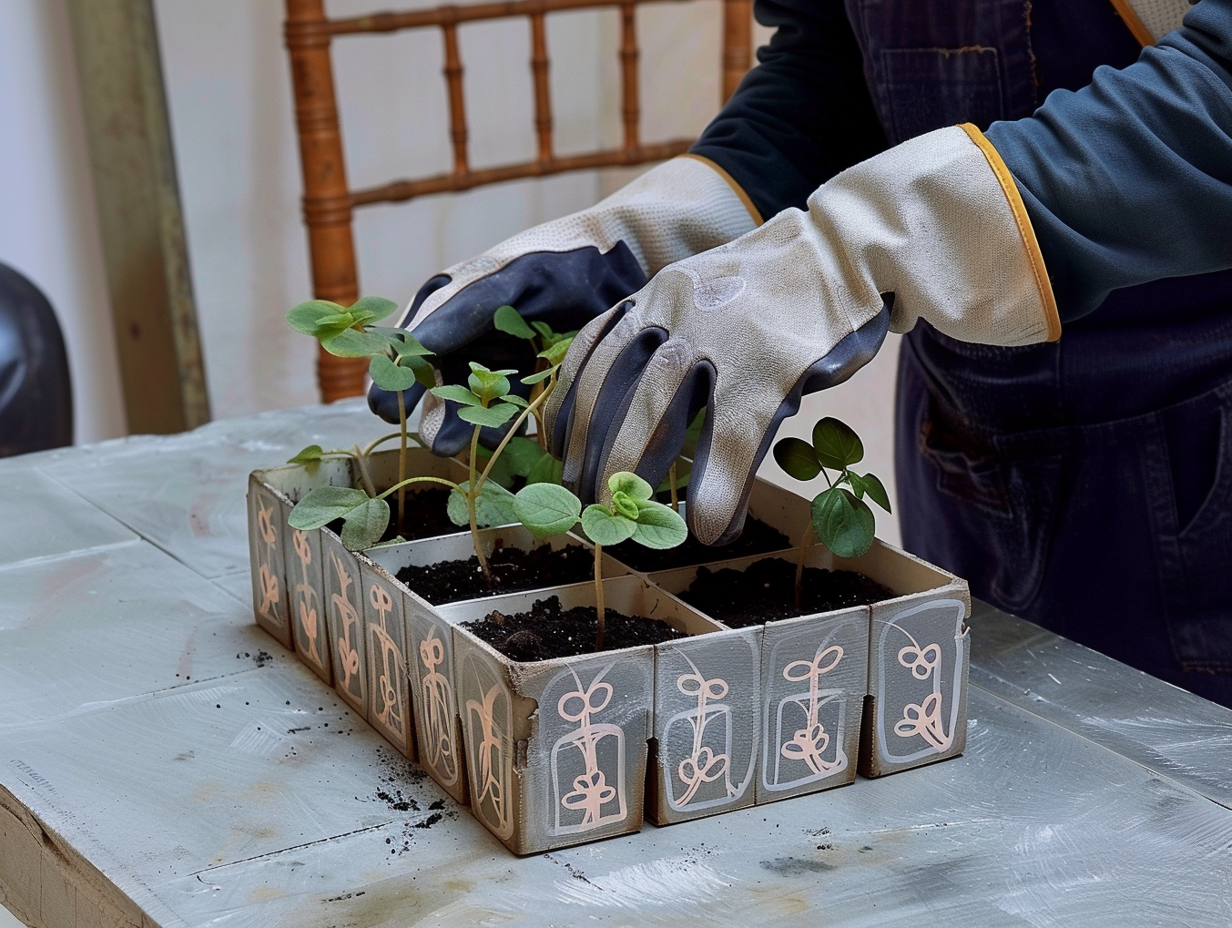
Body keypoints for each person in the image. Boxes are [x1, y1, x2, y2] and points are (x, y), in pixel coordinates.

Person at [371, 0, 1232, 706]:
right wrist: (663, 231)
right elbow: (836, 64)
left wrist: (870, 242)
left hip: (1201, 457)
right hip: (971, 443)